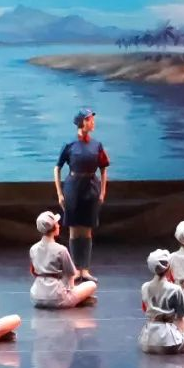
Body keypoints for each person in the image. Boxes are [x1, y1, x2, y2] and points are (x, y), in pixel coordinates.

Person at [53, 108, 110, 284]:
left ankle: (85, 268)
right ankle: (75, 269)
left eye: (92, 119)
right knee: (74, 230)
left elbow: (103, 168)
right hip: (73, 188)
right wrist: (59, 193)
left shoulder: (97, 145)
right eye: (89, 119)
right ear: (82, 122)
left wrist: (103, 191)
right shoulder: (70, 145)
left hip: (91, 188)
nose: (92, 122)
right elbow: (57, 168)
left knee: (87, 230)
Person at [139, 249, 184, 354]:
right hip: (169, 342)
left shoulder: (144, 287)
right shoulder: (175, 289)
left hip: (147, 342)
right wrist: (182, 338)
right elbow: (181, 317)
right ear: (168, 266)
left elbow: (145, 308)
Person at [29, 211, 97, 308]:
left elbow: (34, 272)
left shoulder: (33, 249)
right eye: (57, 224)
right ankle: (78, 300)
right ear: (54, 228)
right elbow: (70, 274)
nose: (59, 225)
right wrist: (71, 291)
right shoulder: (61, 250)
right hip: (57, 298)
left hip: (36, 297)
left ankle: (79, 299)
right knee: (91, 285)